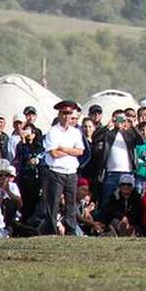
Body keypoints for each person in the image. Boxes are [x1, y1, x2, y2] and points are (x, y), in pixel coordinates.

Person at [40, 101, 86, 236]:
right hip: (56, 172)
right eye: (64, 113)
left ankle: (71, 232)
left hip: (71, 172)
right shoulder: (52, 132)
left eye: (69, 113)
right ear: (59, 114)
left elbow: (81, 151)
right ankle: (51, 231)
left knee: (71, 204)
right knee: (53, 204)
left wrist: (64, 149)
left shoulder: (76, 132)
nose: (66, 117)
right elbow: (53, 153)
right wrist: (72, 151)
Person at [93, 109, 137, 224]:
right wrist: (107, 126)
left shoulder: (129, 134)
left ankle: (128, 226)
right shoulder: (108, 134)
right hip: (111, 172)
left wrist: (133, 126)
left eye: (122, 119)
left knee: (129, 200)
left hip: (127, 172)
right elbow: (95, 137)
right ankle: (103, 225)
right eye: (117, 118)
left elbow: (141, 141)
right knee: (106, 200)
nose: (120, 121)